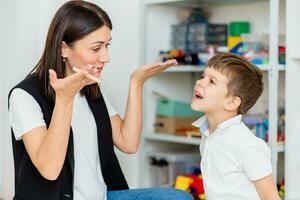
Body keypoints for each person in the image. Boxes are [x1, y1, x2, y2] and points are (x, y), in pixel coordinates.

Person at [8, 1, 193, 200]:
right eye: (96, 48)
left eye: (107, 45)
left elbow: (128, 143)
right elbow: (50, 169)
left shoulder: (92, 88)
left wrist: (136, 83)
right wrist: (64, 100)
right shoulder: (24, 96)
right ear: (63, 48)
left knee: (177, 197)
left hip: (102, 196)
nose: (106, 57)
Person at [191, 53, 281, 200]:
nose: (200, 82)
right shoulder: (208, 133)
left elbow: (271, 197)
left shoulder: (247, 145)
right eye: (203, 76)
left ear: (232, 102)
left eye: (212, 81)